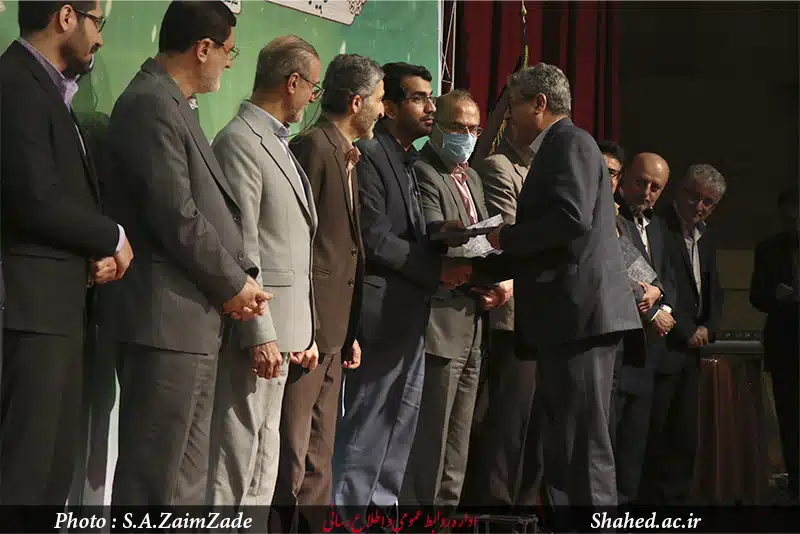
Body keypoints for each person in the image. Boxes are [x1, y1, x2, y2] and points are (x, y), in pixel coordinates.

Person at [105, 1, 269, 505]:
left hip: (193, 321)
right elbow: (176, 214)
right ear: (203, 48)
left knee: (185, 486)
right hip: (164, 321)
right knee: (153, 483)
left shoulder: (175, 102)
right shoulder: (151, 103)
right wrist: (233, 284)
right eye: (228, 51)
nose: (229, 63)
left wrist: (239, 280)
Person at [482, 63, 642, 512]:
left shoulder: (570, 142)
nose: (507, 117)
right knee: (567, 445)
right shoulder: (560, 146)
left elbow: (571, 219)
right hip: (568, 320)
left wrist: (505, 237)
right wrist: (482, 265)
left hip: (581, 319)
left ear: (539, 103)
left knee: (584, 448)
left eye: (513, 105)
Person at [0, 0, 133, 505]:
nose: (100, 39)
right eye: (98, 23)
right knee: (24, 479)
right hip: (29, 316)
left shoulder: (48, 91)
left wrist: (90, 255)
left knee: (50, 476)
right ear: (66, 16)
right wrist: (111, 237)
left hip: (55, 313)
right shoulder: (15, 84)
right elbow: (33, 201)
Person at [332, 62, 471, 523]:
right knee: (367, 429)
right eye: (417, 98)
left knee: (399, 429)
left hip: (412, 313)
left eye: (430, 97)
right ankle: (347, 522)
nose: (430, 107)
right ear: (388, 107)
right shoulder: (370, 155)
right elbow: (373, 237)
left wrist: (443, 234)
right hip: (380, 314)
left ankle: (379, 519)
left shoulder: (409, 159)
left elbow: (407, 232)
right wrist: (436, 269)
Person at [272, 53, 384, 533]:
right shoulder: (314, 148)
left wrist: (348, 329)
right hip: (308, 337)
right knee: (291, 453)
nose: (382, 109)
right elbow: (300, 249)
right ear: (357, 102)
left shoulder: (349, 154)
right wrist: (309, 331)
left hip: (335, 334)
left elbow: (344, 254)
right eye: (379, 99)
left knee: (320, 454)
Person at [209, 35, 320, 508]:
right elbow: (243, 246)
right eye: (312, 87)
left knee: (262, 462)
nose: (313, 98)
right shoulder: (240, 141)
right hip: (256, 333)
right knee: (234, 460)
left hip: (285, 334)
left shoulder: (279, 142)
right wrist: (261, 334)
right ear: (293, 82)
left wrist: (304, 329)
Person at [401, 90, 499, 513]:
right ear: (436, 126)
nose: (468, 137)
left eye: (474, 129)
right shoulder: (423, 170)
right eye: (458, 127)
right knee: (432, 436)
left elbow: (482, 237)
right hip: (440, 317)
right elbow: (435, 235)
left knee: (460, 436)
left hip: (473, 317)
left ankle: (446, 516)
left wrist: (496, 273)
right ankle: (419, 518)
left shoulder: (472, 176)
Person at [639, 164, 726, 504]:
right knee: (656, 435)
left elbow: (714, 290)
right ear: (679, 191)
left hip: (692, 351)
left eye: (708, 202)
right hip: (664, 344)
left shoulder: (707, 235)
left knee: (684, 437)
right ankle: (649, 511)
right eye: (694, 196)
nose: (699, 206)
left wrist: (709, 328)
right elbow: (661, 283)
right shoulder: (659, 226)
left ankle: (676, 508)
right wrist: (688, 330)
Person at [462, 114, 537, 508]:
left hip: (544, 315)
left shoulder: (544, 171)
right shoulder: (499, 166)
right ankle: (494, 509)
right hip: (511, 312)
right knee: (506, 419)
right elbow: (509, 236)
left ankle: (522, 508)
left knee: (532, 423)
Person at [610, 149, 677, 503]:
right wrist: (652, 313)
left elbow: (664, 278)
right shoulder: (611, 217)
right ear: (624, 178)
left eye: (656, 187)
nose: (647, 192)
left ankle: (628, 511)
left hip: (649, 351)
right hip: (619, 346)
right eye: (641, 182)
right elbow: (614, 277)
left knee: (635, 446)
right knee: (610, 440)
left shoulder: (659, 226)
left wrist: (663, 305)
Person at [750, 187, 799, 503]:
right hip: (785, 347)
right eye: (789, 219)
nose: (795, 225)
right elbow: (756, 296)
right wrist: (775, 296)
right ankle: (796, 485)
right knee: (790, 420)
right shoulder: (768, 249)